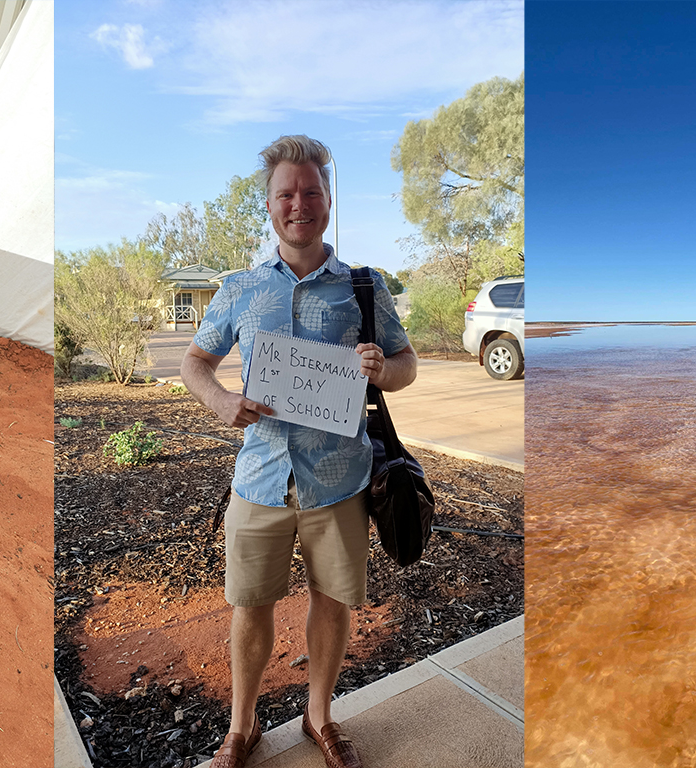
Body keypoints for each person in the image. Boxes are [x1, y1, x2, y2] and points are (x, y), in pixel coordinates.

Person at [181, 135, 416, 768]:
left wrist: (381, 371)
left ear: (328, 201)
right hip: (259, 479)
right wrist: (220, 400)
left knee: (330, 601)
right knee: (249, 606)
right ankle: (242, 728)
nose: (299, 204)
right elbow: (195, 361)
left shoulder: (364, 288)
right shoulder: (240, 290)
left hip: (339, 479)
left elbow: (406, 363)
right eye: (286, 193)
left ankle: (319, 718)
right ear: (269, 204)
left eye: (311, 192)